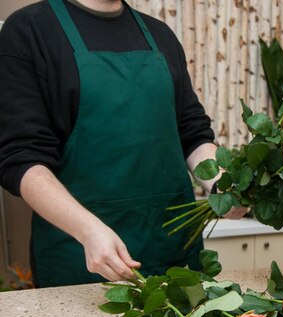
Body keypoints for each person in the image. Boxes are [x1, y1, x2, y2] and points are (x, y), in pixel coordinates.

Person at [0, 0, 221, 287]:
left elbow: (193, 135)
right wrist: (88, 230)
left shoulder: (160, 34)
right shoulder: (30, 30)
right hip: (79, 257)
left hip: (172, 253)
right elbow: (21, 159)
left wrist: (222, 186)